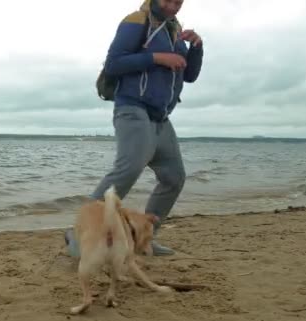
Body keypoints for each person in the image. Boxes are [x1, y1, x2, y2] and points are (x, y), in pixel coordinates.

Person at [66, 0, 204, 257]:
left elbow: (190, 75)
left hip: (161, 118)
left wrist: (196, 47)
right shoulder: (136, 21)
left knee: (174, 178)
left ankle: (144, 239)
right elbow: (114, 63)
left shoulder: (174, 31)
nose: (174, 7)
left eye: (179, 2)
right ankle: (77, 235)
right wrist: (158, 58)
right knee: (128, 170)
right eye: (169, 1)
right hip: (132, 109)